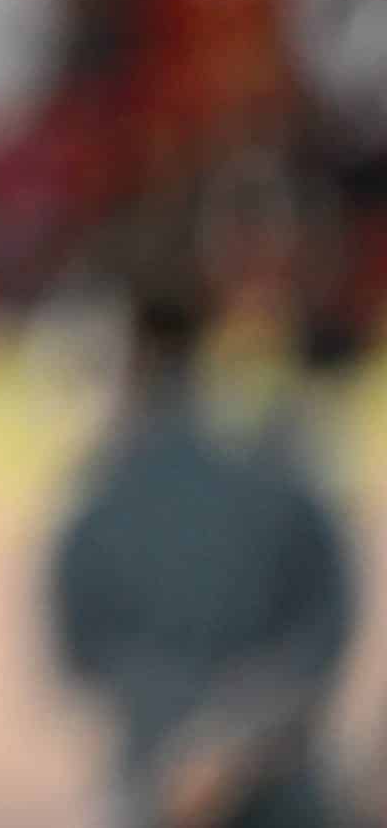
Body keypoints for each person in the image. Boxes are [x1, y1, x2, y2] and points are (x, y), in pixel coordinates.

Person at [49, 272, 360, 828]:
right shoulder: (284, 474)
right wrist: (238, 734)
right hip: (280, 776)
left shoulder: (98, 498)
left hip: (163, 780)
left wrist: (190, 744)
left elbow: (80, 653)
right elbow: (326, 630)